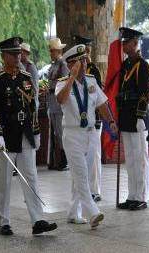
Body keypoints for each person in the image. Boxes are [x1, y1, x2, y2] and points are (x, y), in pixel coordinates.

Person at [0, 36, 57, 236]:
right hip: (7, 136)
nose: (18, 57)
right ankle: (4, 221)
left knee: (31, 177)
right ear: (4, 56)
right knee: (4, 180)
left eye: (19, 53)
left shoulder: (26, 78)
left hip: (25, 134)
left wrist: (36, 132)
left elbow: (32, 108)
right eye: (13, 54)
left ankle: (37, 219)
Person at [56, 44, 117, 228]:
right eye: (81, 61)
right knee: (81, 174)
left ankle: (73, 213)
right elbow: (60, 99)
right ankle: (92, 211)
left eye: (84, 60)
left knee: (82, 175)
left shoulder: (91, 81)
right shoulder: (62, 82)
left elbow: (102, 104)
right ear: (71, 64)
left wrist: (111, 122)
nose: (85, 63)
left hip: (90, 134)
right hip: (73, 135)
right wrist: (72, 77)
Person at [116, 27, 149, 211]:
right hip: (127, 117)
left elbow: (145, 92)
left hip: (137, 117)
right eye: (122, 42)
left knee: (140, 158)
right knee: (130, 159)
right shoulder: (126, 65)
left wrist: (140, 115)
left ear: (135, 43)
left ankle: (141, 196)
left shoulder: (142, 65)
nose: (123, 45)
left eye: (126, 42)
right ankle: (132, 195)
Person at [74, 35, 103, 202]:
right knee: (81, 159)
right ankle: (84, 190)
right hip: (78, 123)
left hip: (93, 120)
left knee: (94, 157)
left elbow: (98, 98)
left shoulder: (93, 71)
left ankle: (94, 189)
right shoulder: (73, 71)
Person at [47, 38, 69, 171]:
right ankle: (58, 159)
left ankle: (64, 160)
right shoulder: (54, 65)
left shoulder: (63, 65)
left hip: (59, 101)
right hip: (52, 101)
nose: (50, 53)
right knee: (56, 132)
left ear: (59, 51)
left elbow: (65, 83)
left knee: (61, 132)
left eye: (52, 50)